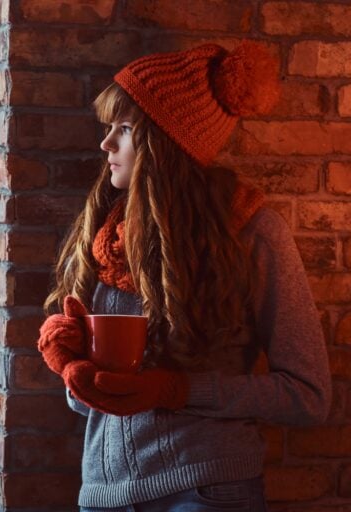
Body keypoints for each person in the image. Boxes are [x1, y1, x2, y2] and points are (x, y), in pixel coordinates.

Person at [36, 41, 332, 512]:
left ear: (164, 142)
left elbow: (308, 396)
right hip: (103, 495)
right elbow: (90, 403)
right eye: (109, 127)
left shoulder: (251, 233)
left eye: (125, 128)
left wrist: (178, 390)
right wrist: (71, 363)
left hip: (208, 491)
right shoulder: (104, 235)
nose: (106, 144)